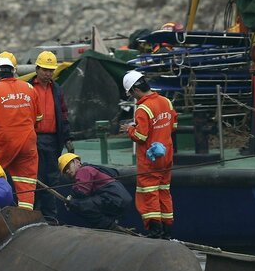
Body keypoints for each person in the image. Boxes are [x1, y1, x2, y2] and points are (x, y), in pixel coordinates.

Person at [0, 56, 42, 211]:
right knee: (26, 181)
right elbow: (38, 118)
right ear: (13, 72)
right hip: (28, 141)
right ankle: (26, 215)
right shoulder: (29, 88)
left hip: (2, 141)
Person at [121, 70, 177, 239]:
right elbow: (173, 126)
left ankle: (155, 230)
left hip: (150, 159)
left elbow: (141, 136)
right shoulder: (166, 101)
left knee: (149, 193)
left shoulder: (143, 108)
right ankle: (167, 230)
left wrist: (130, 129)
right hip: (167, 156)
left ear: (135, 90)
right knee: (164, 191)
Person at [29, 51, 73, 224]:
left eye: (51, 70)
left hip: (53, 141)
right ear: (37, 69)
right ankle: (34, 215)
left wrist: (67, 138)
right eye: (45, 70)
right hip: (34, 140)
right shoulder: (28, 87)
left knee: (51, 180)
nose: (48, 73)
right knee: (36, 180)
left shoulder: (57, 89)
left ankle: (51, 218)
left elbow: (63, 113)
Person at [58, 153, 132, 230]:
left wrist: (71, 201)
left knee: (79, 205)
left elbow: (81, 192)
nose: (67, 171)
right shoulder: (91, 169)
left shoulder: (84, 170)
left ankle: (109, 226)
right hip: (119, 199)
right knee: (81, 203)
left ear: (76, 162)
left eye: (67, 167)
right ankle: (111, 224)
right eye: (64, 171)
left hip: (113, 198)